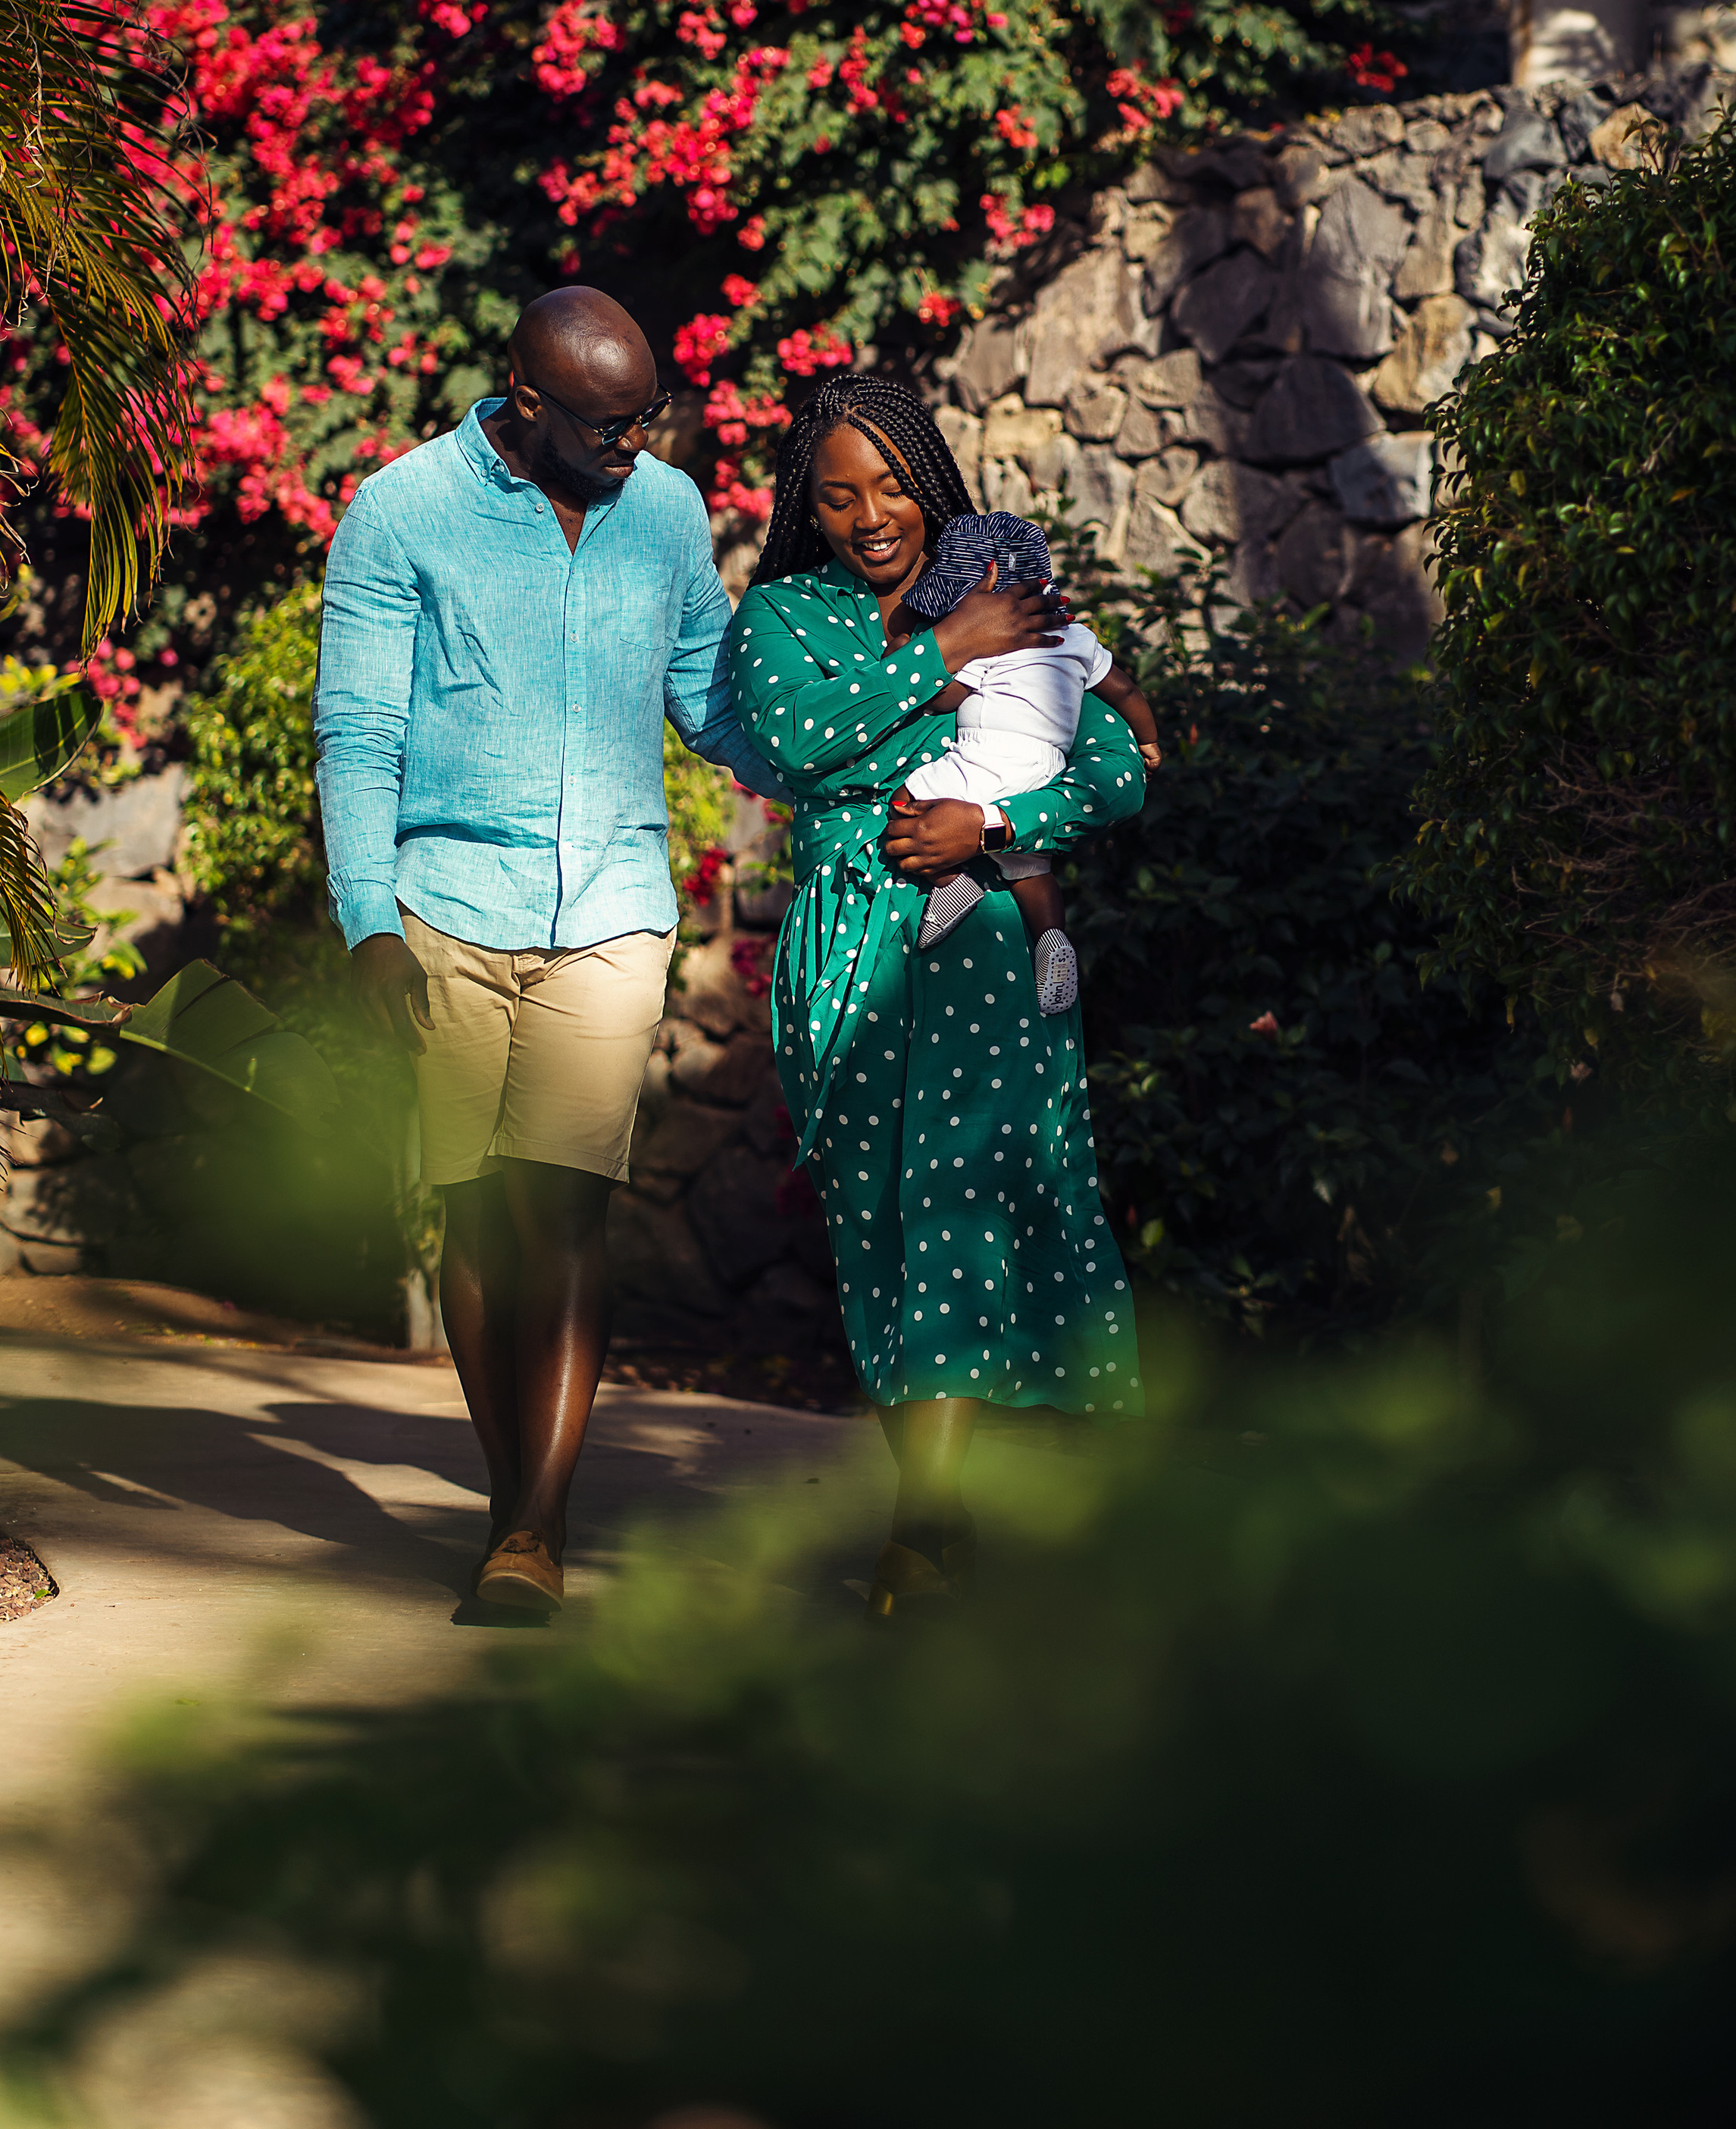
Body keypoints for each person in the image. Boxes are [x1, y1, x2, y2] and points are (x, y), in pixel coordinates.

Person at [314, 286, 776, 1618]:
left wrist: (838, 749)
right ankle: (514, 1489)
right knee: (473, 1209)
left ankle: (533, 1531)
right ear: (526, 398)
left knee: (563, 1204)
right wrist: (369, 923)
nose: (636, 443)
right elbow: (359, 731)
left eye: (650, 417)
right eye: (609, 424)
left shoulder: (670, 512)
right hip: (447, 906)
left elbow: (706, 697)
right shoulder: (403, 511)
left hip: (613, 910)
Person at [730, 371, 1149, 1618]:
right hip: (848, 949)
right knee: (876, 1234)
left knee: (963, 1204)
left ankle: (921, 1526)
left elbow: (1119, 766)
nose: (873, 516)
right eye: (841, 494)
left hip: (981, 953)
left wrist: (997, 816)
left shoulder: (1001, 585)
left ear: (934, 481)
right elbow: (798, 741)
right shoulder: (783, 618)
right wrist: (941, 653)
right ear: (807, 504)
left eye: (896, 486)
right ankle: (941, 1504)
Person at [894, 506, 1162, 1012]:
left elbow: (940, 698)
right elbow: (1125, 691)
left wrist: (910, 649)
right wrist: (1148, 740)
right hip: (1044, 768)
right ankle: (1052, 938)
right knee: (1030, 870)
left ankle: (956, 882)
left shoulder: (987, 645)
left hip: (984, 759)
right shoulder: (1076, 640)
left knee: (908, 803)